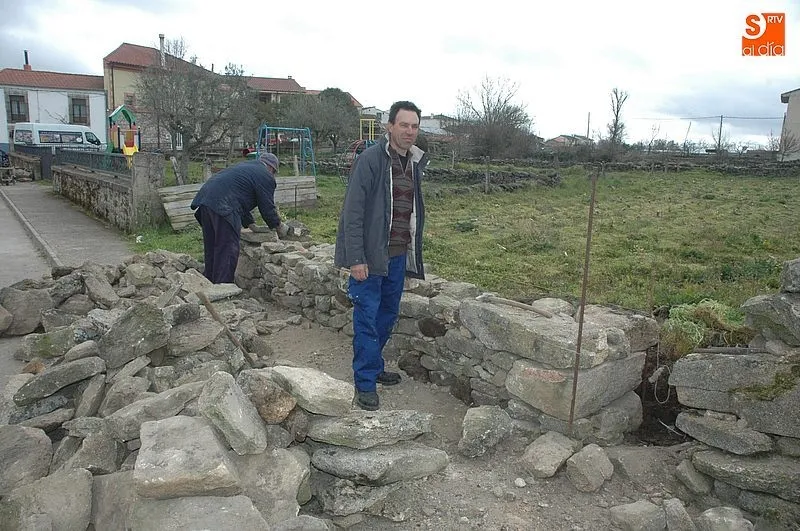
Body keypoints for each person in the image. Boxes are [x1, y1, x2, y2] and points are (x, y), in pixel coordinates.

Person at [334, 101, 428, 411]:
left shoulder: (413, 162)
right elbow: (353, 211)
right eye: (404, 125)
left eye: (414, 126)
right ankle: (364, 383)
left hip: (398, 257)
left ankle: (373, 368)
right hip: (370, 258)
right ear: (389, 126)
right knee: (366, 319)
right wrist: (356, 258)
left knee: (387, 315)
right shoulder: (371, 160)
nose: (409, 131)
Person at [191, 151, 289, 284]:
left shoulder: (246, 168)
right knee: (228, 247)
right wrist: (278, 226)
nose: (273, 175)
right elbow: (267, 206)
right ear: (272, 168)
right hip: (223, 205)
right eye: (274, 172)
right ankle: (223, 288)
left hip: (206, 202)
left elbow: (238, 196)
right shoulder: (265, 175)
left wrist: (250, 223)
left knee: (213, 245)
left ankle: (209, 282)